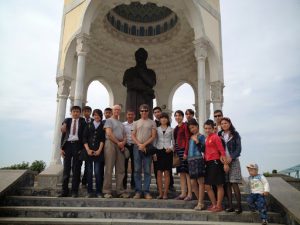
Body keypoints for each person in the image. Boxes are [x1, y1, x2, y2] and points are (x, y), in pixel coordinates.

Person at [103, 105, 129, 198]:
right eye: (115, 109)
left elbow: (125, 135)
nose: (117, 111)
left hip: (120, 145)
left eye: (118, 110)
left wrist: (123, 143)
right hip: (110, 144)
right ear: (112, 111)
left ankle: (120, 191)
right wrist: (118, 143)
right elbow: (109, 133)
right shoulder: (109, 120)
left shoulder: (121, 124)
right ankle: (107, 191)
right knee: (109, 168)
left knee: (121, 169)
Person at [59, 106, 86, 197]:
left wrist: (82, 149)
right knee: (66, 169)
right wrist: (61, 148)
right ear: (71, 112)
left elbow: (85, 136)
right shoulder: (67, 120)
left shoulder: (83, 122)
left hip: (78, 146)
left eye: (77, 111)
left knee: (76, 169)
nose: (75, 113)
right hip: (67, 146)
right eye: (74, 111)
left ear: (80, 113)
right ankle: (64, 191)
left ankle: (74, 191)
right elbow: (63, 135)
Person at [123, 48, 156, 119]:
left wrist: (141, 72)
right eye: (139, 56)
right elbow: (128, 84)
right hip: (133, 98)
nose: (140, 58)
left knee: (146, 119)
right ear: (135, 58)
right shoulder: (129, 71)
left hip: (146, 99)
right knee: (132, 118)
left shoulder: (150, 72)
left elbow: (151, 83)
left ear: (146, 58)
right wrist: (146, 88)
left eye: (142, 56)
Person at [131, 104, 157, 199]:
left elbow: (153, 136)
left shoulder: (152, 122)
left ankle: (146, 191)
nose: (144, 112)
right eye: (142, 111)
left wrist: (144, 145)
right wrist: (139, 145)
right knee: (137, 169)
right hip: (137, 147)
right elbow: (133, 135)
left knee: (147, 170)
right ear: (140, 112)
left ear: (148, 112)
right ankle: (138, 191)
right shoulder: (136, 122)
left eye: (145, 110)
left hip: (147, 148)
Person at [218, 117, 243, 213]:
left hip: (234, 161)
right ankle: (230, 206)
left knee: (234, 183)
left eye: (226, 123)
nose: (224, 125)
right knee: (227, 183)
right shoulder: (220, 135)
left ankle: (239, 206)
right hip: (224, 162)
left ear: (229, 123)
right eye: (222, 123)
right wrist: (222, 157)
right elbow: (218, 148)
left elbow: (239, 149)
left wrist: (231, 157)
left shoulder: (235, 134)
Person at [203, 119, 227, 212]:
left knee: (219, 185)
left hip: (216, 162)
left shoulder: (215, 137)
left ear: (213, 129)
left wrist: (225, 164)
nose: (207, 130)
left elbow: (222, 150)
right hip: (208, 164)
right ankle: (214, 205)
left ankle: (218, 205)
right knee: (207, 186)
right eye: (206, 128)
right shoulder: (207, 138)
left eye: (209, 128)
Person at [83, 109, 105, 198]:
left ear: (101, 116)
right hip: (88, 151)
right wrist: (88, 150)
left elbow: (102, 139)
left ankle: (99, 191)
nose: (96, 116)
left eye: (98, 115)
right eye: (95, 115)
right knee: (89, 171)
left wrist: (99, 150)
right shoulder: (88, 125)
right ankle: (90, 191)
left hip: (98, 152)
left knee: (97, 171)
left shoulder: (103, 126)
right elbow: (84, 138)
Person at [173, 110, 193, 201]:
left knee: (187, 173)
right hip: (178, 151)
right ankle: (183, 193)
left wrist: (186, 152)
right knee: (181, 173)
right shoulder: (176, 127)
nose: (178, 117)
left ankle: (189, 194)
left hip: (184, 151)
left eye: (179, 115)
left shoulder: (185, 126)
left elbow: (188, 139)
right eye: (176, 116)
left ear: (182, 117)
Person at [187, 119, 206, 210]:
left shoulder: (202, 136)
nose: (192, 129)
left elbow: (204, 149)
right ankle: (200, 201)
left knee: (200, 182)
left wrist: (197, 141)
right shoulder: (190, 137)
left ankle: (200, 203)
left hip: (199, 160)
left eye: (193, 127)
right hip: (191, 161)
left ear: (197, 126)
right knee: (192, 182)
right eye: (190, 128)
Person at [154, 112, 174, 199]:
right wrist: (154, 153)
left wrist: (171, 148)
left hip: (168, 152)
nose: (163, 119)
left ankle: (165, 193)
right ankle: (160, 193)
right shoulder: (156, 129)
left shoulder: (171, 129)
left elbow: (174, 141)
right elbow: (154, 141)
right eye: (162, 118)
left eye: (165, 118)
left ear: (168, 119)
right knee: (158, 173)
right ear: (159, 119)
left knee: (167, 173)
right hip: (158, 151)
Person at [123, 110, 136, 190]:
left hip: (134, 146)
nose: (130, 116)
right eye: (129, 114)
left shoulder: (136, 124)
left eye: (132, 114)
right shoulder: (123, 125)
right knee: (124, 166)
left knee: (134, 166)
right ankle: (124, 184)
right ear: (126, 115)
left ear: (134, 116)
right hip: (126, 146)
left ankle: (133, 184)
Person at [81, 106, 93, 187]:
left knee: (88, 165)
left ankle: (85, 182)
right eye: (85, 111)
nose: (86, 113)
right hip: (80, 146)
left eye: (88, 111)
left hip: (90, 146)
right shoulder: (80, 120)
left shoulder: (93, 121)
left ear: (90, 112)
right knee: (78, 164)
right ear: (82, 112)